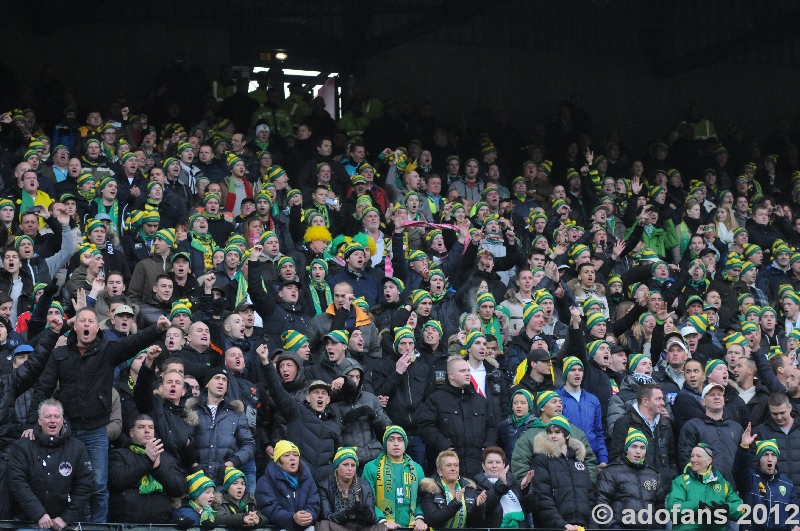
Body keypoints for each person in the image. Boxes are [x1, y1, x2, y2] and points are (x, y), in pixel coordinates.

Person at [27, 309, 170, 523]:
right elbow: (43, 389)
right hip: (68, 432)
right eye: (82, 320)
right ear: (75, 327)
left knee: (98, 485)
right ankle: (70, 525)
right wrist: (31, 423)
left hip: (96, 431)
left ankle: (98, 526)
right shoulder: (59, 355)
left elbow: (134, 342)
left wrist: (156, 329)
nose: (86, 324)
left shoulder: (108, 351)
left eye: (91, 321)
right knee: (67, 484)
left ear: (97, 328)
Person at [8, 399, 93, 530]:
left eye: (57, 416)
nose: (52, 420)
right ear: (39, 421)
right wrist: (39, 514)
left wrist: (66, 517)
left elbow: (85, 485)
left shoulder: (77, 448)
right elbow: (17, 482)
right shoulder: (22, 446)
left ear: (62, 420)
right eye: (48, 416)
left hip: (64, 523)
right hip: (28, 521)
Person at [416, 356, 497, 478]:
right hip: (447, 466)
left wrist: (486, 447)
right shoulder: (436, 399)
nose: (467, 374)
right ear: (451, 375)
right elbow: (425, 426)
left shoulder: (480, 401)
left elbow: (491, 426)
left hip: (476, 467)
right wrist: (444, 446)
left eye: (468, 371)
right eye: (462, 371)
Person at [107, 414, 187, 523]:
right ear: (131, 433)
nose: (147, 431)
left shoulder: (167, 458)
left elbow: (179, 489)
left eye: (151, 427)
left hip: (160, 523)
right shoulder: (119, 454)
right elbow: (117, 480)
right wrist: (147, 460)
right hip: (127, 522)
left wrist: (158, 468)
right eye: (141, 427)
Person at [185, 367, 255, 486]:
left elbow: (249, 444)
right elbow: (184, 442)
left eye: (224, 380)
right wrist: (193, 465)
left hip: (226, 481)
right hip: (197, 481)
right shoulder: (193, 411)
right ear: (206, 384)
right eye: (216, 378)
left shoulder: (236, 414)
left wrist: (231, 463)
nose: (221, 382)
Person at [529, 415, 595, 530]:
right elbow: (543, 498)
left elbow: (590, 497)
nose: (552, 436)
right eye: (550, 432)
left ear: (567, 435)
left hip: (583, 526)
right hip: (557, 526)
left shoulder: (579, 460)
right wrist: (561, 524)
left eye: (557, 432)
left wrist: (593, 526)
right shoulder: (541, 460)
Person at [595, 428, 666, 529]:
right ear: (626, 449)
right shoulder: (611, 472)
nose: (638, 451)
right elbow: (601, 504)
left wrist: (658, 527)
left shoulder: (653, 475)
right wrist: (613, 527)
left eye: (642, 448)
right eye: (634, 446)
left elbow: (660, 508)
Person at [665, 443, 745, 531]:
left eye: (699, 456)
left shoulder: (723, 483)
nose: (693, 459)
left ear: (709, 460)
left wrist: (725, 508)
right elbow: (672, 510)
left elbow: (741, 510)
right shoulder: (681, 481)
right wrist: (698, 506)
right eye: (692, 456)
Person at [362, 426, 428, 531]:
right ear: (385, 444)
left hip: (411, 526)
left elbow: (423, 500)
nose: (396, 443)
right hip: (382, 527)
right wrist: (383, 521)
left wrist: (419, 518)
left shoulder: (417, 469)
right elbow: (367, 500)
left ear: (405, 444)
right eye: (391, 440)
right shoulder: (371, 468)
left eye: (400, 440)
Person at [735, 425, 799, 531]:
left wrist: (795, 526)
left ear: (777, 459)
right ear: (759, 458)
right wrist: (743, 447)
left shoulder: (787, 484)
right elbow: (738, 470)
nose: (770, 459)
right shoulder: (749, 478)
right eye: (765, 455)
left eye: (773, 455)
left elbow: (794, 512)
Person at [678, 382, 743, 485]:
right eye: (712, 395)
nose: (717, 397)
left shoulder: (736, 428)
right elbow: (685, 458)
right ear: (703, 401)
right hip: (704, 488)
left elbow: (743, 461)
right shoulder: (692, 426)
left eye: (720, 395)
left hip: (732, 489)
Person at [255, 440, 320, 531]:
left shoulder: (307, 477)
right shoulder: (265, 482)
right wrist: (292, 518)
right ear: (277, 461)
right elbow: (270, 510)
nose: (292, 458)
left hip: (306, 527)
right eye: (286, 455)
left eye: (295, 455)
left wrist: (308, 516)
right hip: (278, 528)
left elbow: (314, 503)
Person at [418, 450, 487, 528]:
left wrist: (479, 507)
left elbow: (476, 524)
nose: (453, 468)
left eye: (456, 465)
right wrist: (455, 503)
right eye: (448, 465)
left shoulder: (468, 488)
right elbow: (432, 520)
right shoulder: (429, 488)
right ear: (439, 470)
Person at [318, 447, 381, 531]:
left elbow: (372, 513)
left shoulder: (365, 485)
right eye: (345, 465)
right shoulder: (324, 487)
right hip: (336, 528)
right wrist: (345, 515)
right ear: (337, 467)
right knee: (323, 525)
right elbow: (326, 515)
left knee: (382, 527)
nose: (350, 469)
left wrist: (367, 515)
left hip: (360, 528)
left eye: (353, 465)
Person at [473, 447, 534, 528]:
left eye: (498, 462)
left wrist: (524, 489)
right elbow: (482, 510)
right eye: (490, 462)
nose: (494, 466)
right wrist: (501, 484)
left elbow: (530, 508)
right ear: (483, 466)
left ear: (504, 465)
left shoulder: (513, 482)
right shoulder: (476, 485)